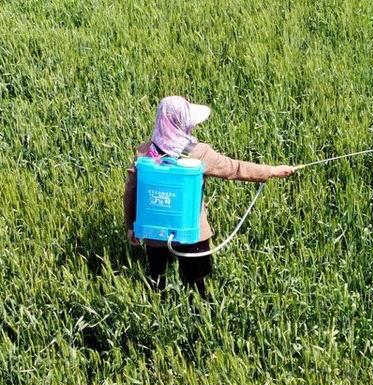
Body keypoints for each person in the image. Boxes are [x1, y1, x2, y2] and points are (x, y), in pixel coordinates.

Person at [123, 96, 295, 298]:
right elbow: (234, 168)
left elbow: (130, 193)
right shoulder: (198, 153)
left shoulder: (144, 153)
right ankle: (201, 317)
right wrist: (271, 171)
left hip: (154, 234)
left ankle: (159, 311)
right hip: (192, 233)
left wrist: (131, 226)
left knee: (157, 280)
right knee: (198, 284)